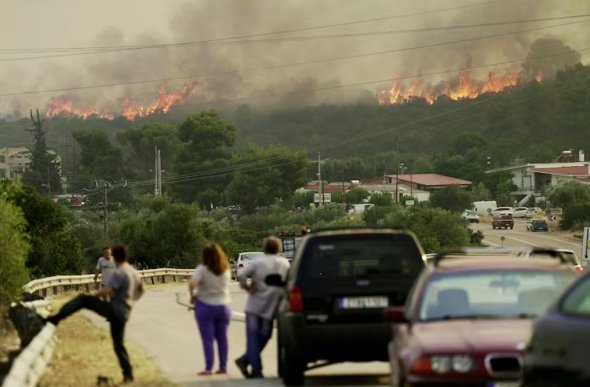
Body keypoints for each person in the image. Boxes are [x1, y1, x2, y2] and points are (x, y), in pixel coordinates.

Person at [45, 244, 144, 384]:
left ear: (115, 257)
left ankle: (56, 319)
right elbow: (141, 291)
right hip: (124, 313)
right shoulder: (133, 271)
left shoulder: (120, 272)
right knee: (118, 344)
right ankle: (128, 375)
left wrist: (94, 297)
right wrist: (129, 303)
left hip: (115, 310)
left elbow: (106, 291)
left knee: (82, 299)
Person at [235, 236, 290, 379]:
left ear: (265, 248)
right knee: (265, 336)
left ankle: (247, 361)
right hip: (270, 308)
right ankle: (256, 370)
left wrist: (246, 287)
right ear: (278, 248)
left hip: (253, 306)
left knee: (253, 338)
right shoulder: (285, 264)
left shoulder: (259, 262)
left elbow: (241, 274)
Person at [188, 243, 231, 376]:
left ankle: (208, 368)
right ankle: (223, 367)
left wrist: (193, 296)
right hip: (223, 306)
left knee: (208, 339)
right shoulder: (225, 269)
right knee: (222, 338)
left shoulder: (202, 269)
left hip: (206, 305)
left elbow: (192, 283)